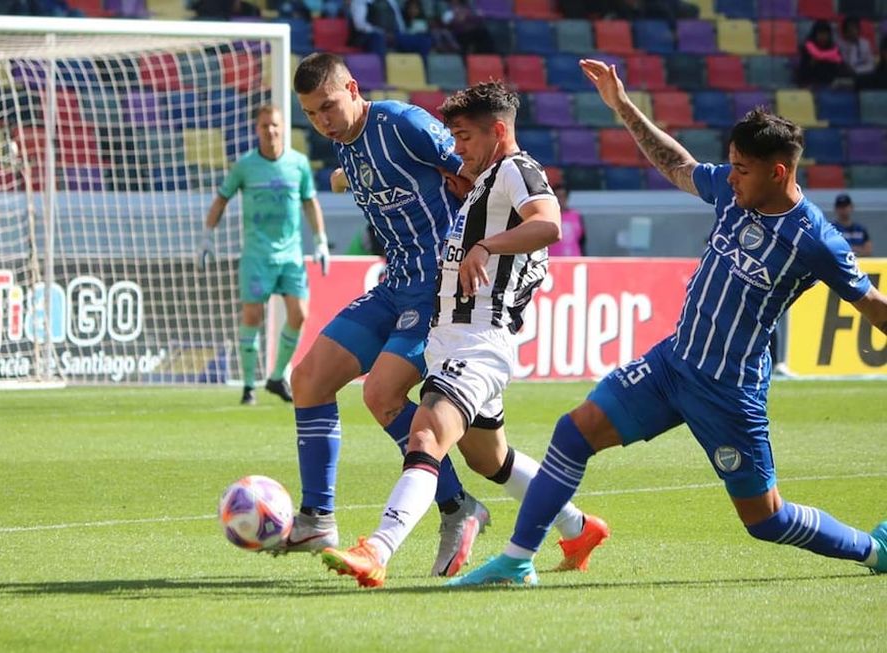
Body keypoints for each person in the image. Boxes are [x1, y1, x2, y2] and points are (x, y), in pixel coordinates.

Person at [450, 59, 887, 586]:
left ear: (779, 172)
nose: (730, 177)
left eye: (742, 169)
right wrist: (623, 107)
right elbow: (677, 165)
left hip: (728, 392)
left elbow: (871, 304)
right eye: (730, 165)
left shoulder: (815, 239)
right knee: (573, 431)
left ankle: (873, 551)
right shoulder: (732, 189)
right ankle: (518, 560)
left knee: (765, 519)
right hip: (673, 363)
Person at [319, 81, 610, 588]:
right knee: (488, 459)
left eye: (464, 137)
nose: (456, 150)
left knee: (426, 435)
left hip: (476, 341)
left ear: (498, 131)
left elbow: (548, 223)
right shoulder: (484, 181)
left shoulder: (517, 169)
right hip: (457, 340)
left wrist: (486, 247)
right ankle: (578, 527)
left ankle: (377, 549)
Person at [285, 52, 491, 576]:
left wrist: (479, 228)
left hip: (439, 290)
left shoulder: (402, 123)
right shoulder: (343, 143)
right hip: (394, 284)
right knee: (307, 380)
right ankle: (316, 518)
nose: (323, 120)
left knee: (381, 394)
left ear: (353, 88)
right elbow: (364, 173)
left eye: (329, 106)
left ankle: (456, 506)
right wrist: (339, 178)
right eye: (311, 114)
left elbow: (479, 167)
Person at [198, 105, 330, 406]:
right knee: (252, 316)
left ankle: (276, 376)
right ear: (256, 130)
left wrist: (321, 241)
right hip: (256, 257)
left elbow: (310, 203)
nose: (270, 131)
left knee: (299, 315)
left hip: (291, 256)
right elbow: (221, 200)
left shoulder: (298, 164)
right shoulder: (245, 166)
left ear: (282, 128)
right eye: (264, 126)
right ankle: (248, 386)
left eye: (274, 125)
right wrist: (207, 237)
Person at [796, 20, 846, 88]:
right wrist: (811, 64)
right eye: (820, 34)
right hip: (812, 84)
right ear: (815, 35)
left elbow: (840, 70)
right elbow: (802, 74)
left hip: (832, 85)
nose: (823, 37)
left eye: (826, 34)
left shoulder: (834, 50)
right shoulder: (807, 49)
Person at [547, 183, 586, 257]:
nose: (560, 199)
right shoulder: (548, 216)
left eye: (563, 196)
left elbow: (582, 240)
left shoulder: (576, 215)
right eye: (558, 196)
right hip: (554, 260)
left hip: (574, 259)